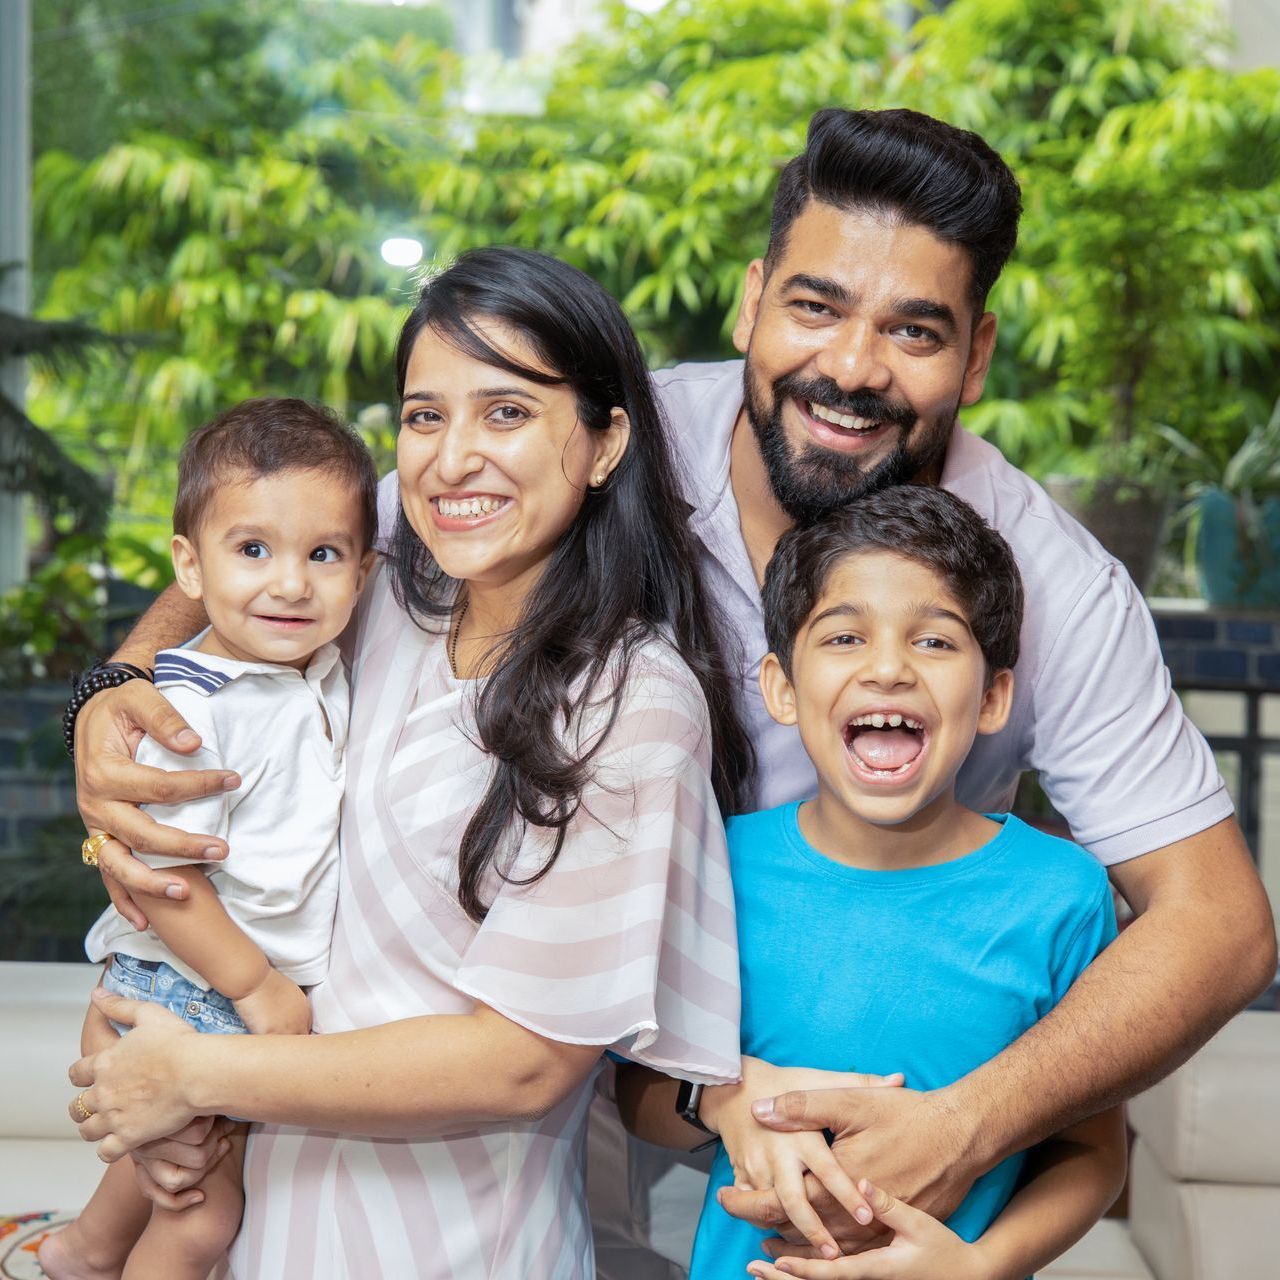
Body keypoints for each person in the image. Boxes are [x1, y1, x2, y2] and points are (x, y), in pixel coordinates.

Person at [72, 109, 1275, 1271]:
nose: (848, 367)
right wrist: (122, 686)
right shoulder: (610, 448)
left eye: (913, 330)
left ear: (976, 352)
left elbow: (1216, 924)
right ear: (753, 300)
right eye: (813, 306)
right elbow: (317, 539)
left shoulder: (1044, 578)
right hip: (575, 1058)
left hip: (817, 1041)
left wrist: (965, 1120)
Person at [61, 246, 768, 1279]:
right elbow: (239, 545)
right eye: (423, 415)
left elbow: (523, 1060)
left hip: (455, 1244)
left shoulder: (631, 701)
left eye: (507, 412)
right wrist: (104, 700)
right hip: (263, 1213)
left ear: (605, 440)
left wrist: (194, 1070)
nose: (448, 458)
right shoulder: (378, 596)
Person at [619, 486, 1128, 1280]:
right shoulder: (714, 863)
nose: (888, 668)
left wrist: (982, 1266)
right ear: (782, 687)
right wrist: (725, 1098)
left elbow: (1093, 1153)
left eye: (934, 642)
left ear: (994, 696)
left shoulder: (1062, 896)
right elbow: (640, 1095)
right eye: (846, 636)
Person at [41, 398, 378, 1280]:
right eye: (253, 549)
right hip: (180, 989)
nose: (292, 583)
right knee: (200, 1218)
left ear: (367, 570)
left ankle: (77, 1254)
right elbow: (159, 875)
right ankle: (80, 1253)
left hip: (211, 991)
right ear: (189, 565)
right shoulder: (197, 710)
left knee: (174, 1190)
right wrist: (260, 988)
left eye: (325, 554)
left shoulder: (320, 671)